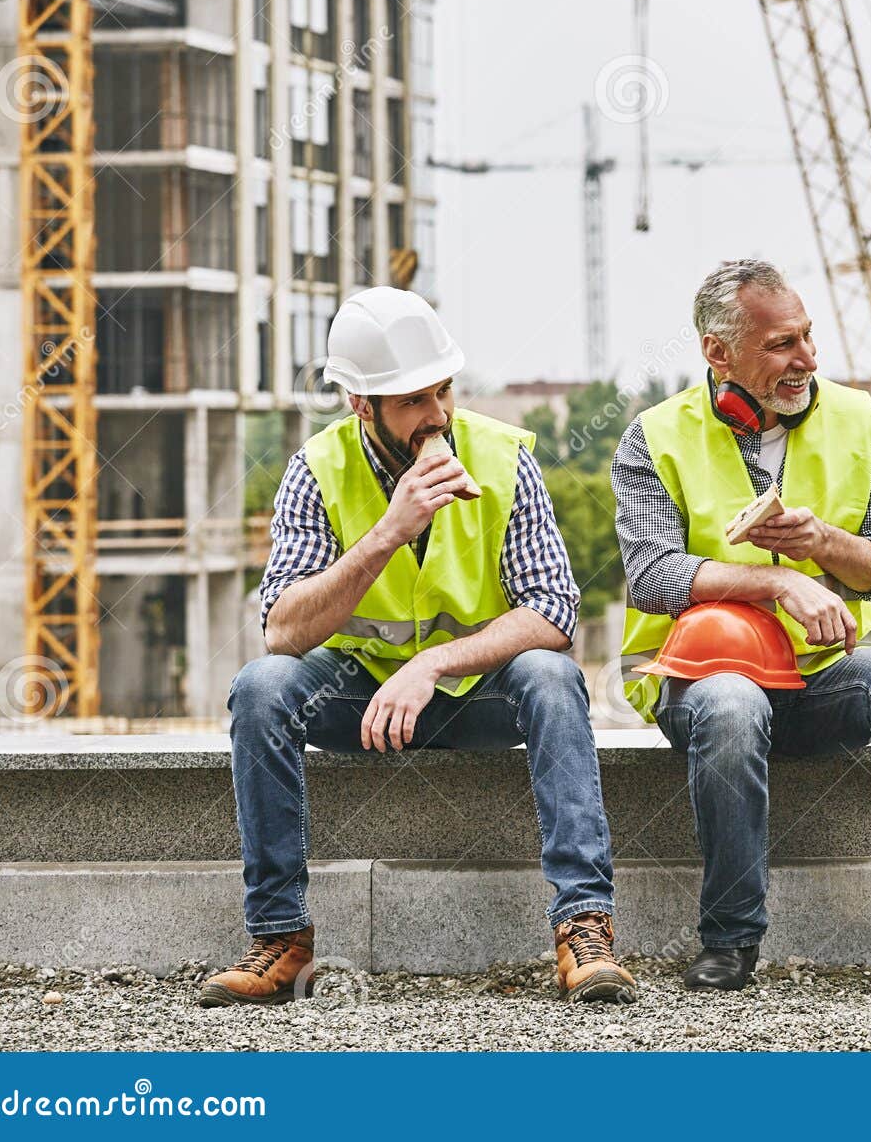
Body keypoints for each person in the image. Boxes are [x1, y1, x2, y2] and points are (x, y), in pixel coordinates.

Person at [204, 287, 634, 1007]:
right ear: (361, 404)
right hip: (363, 698)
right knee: (260, 687)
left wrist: (432, 662)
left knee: (553, 676)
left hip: (475, 692)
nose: (436, 414)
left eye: (443, 391)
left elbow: (553, 610)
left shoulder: (504, 459)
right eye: (412, 400)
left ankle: (583, 926)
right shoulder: (318, 468)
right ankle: (280, 937)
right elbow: (283, 628)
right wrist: (387, 532)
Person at [611, 258, 871, 1005]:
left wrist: (822, 544)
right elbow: (654, 575)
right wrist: (777, 581)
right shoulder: (654, 438)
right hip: (700, 681)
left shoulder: (860, 419)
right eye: (782, 344)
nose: (807, 360)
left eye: (808, 337)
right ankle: (730, 937)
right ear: (717, 353)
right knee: (732, 707)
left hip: (822, 673)